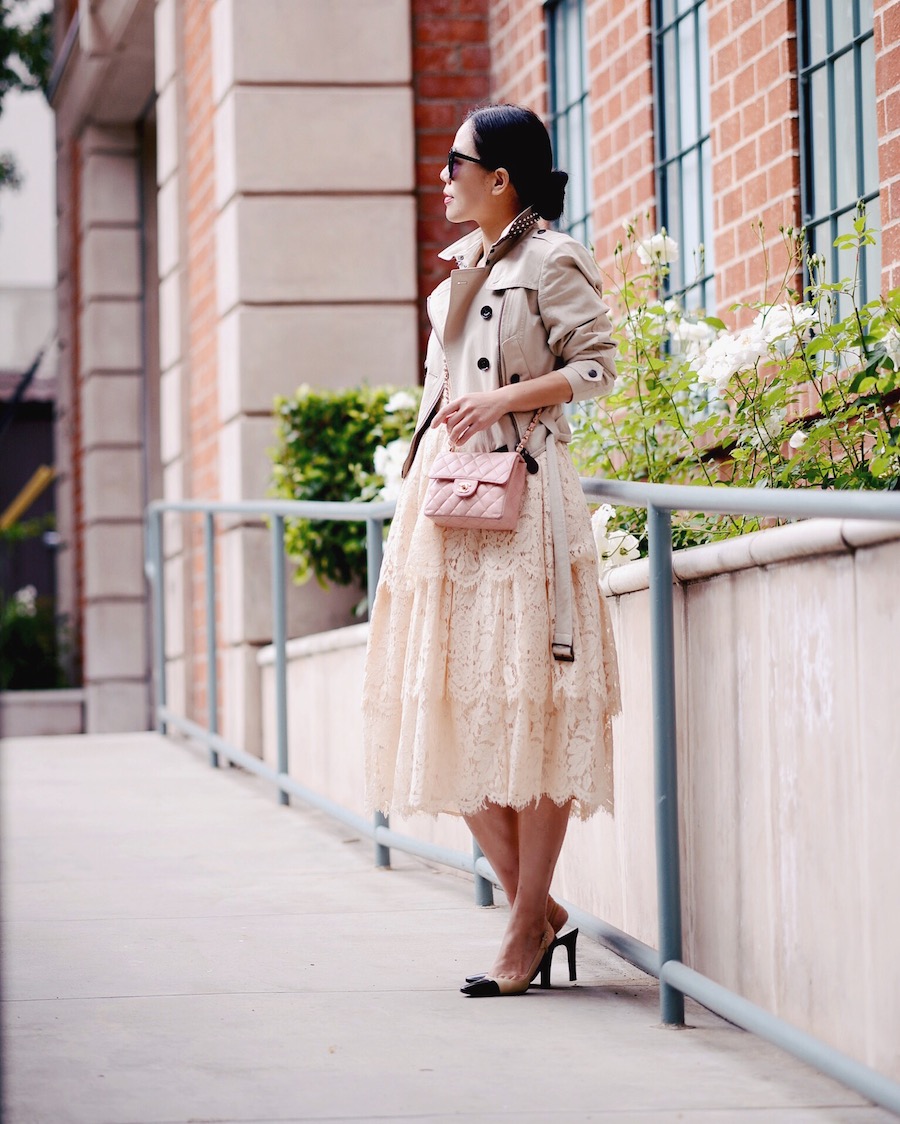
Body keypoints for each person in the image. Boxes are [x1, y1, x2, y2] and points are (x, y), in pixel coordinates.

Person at [362, 103, 621, 997]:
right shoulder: (454, 278)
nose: (443, 176)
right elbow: (446, 391)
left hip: (528, 493)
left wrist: (507, 402)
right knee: (443, 699)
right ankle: (537, 912)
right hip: (446, 504)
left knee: (537, 706)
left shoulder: (553, 258)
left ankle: (519, 935)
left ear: (500, 177)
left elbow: (598, 365)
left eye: (455, 162)